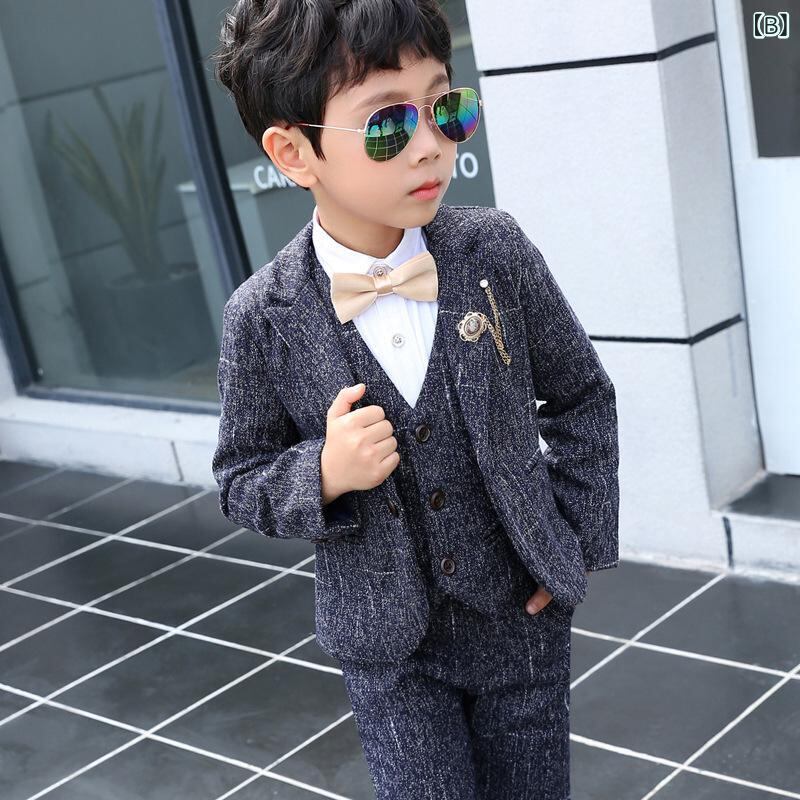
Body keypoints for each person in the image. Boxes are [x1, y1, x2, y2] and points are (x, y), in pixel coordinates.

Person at [210, 1, 620, 797]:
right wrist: (322, 473)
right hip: (388, 651)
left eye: (445, 107)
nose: (431, 144)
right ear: (294, 153)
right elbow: (240, 478)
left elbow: (581, 397)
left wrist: (571, 541)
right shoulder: (262, 317)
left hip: (520, 618)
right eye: (388, 124)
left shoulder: (493, 251)